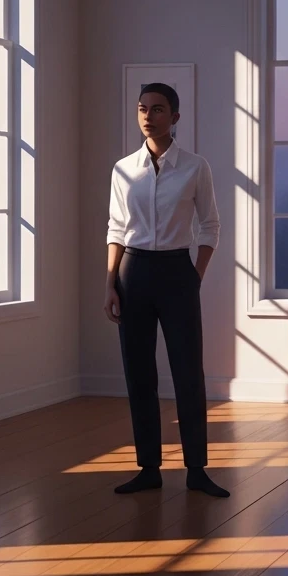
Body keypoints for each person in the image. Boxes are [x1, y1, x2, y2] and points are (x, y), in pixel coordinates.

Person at [103, 83, 229, 498]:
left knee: (187, 371)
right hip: (133, 272)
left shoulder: (195, 167)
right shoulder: (123, 169)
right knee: (139, 374)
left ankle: (196, 469)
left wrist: (196, 274)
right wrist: (111, 283)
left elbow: (210, 225)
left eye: (158, 110)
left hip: (177, 272)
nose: (147, 116)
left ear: (175, 117)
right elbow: (116, 229)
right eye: (142, 109)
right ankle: (149, 468)